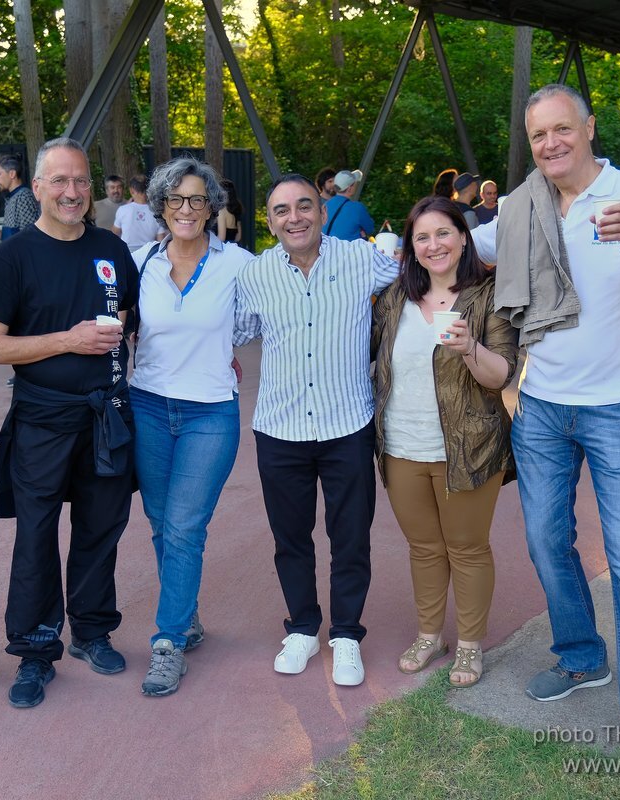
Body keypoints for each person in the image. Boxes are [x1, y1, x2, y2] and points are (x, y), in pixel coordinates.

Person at [471, 83, 620, 796]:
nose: (550, 144)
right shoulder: (521, 207)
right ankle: (581, 655)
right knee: (547, 541)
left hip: (619, 411)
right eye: (538, 134)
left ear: (588, 128)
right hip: (542, 406)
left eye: (561, 130)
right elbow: (453, 242)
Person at [0, 137, 138, 710]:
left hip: (105, 417)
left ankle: (92, 632)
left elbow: (128, 322)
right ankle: (34, 648)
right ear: (37, 187)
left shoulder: (111, 249)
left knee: (101, 529)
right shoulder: (14, 257)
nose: (72, 192)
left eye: (80, 181)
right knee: (37, 535)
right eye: (60, 182)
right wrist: (67, 341)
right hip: (42, 419)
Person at [234, 174, 398, 687]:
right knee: (291, 538)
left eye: (304, 206)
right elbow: (235, 332)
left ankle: (346, 634)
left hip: (347, 424)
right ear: (270, 221)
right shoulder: (254, 274)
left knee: (350, 537)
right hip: (279, 429)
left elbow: (425, 273)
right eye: (282, 210)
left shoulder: (361, 261)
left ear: (323, 212)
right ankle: (303, 627)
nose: (295, 217)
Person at [371, 195, 517, 687]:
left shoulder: (489, 294)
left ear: (463, 237)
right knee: (425, 547)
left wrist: (470, 347)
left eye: (444, 234)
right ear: (411, 247)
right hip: (400, 447)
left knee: (468, 547)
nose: (434, 245)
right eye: (423, 237)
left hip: (470, 446)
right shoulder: (394, 298)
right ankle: (430, 635)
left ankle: (471, 646)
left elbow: (500, 376)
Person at [129, 157, 252, 697]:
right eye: (175, 199)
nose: (186, 208)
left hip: (209, 411)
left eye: (197, 199)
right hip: (148, 405)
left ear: (212, 207)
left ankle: (168, 641)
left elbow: (264, 316)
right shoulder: (136, 263)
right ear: (160, 204)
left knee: (183, 526)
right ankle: (187, 614)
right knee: (160, 522)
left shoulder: (239, 264)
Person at [0, 154, 39, 240]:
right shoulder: (12, 197)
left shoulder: (23, 197)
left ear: (12, 174)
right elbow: (13, 236)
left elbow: (30, 237)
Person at [113, 174, 164, 248]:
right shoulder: (157, 212)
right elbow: (161, 240)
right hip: (148, 253)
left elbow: (114, 234)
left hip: (127, 254)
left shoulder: (123, 209)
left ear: (132, 190)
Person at [323, 169, 374, 241]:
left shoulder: (325, 205)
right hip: (348, 251)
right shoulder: (357, 208)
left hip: (326, 250)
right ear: (350, 188)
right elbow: (370, 229)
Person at [217, 178, 242, 243]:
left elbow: (221, 237)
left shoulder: (221, 212)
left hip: (223, 250)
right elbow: (238, 236)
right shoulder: (236, 211)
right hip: (234, 247)